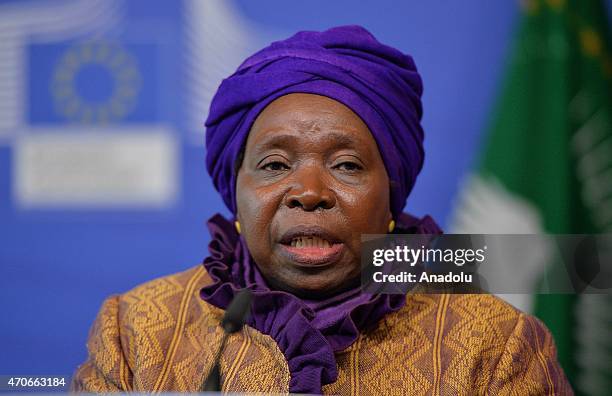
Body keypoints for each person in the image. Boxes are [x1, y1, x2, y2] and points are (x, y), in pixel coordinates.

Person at [72, 26, 572, 395]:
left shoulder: (494, 342)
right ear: (236, 193)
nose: (308, 192)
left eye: (347, 165)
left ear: (390, 200)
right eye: (274, 164)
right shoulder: (138, 328)